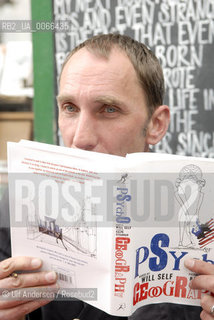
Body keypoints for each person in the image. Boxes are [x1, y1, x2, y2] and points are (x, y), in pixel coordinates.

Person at [0, 33, 212, 320]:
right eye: (70, 108)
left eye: (109, 109)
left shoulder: (206, 227)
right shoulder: (12, 214)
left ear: (156, 124)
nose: (80, 138)